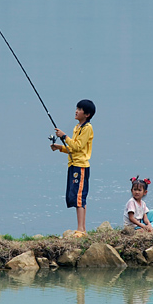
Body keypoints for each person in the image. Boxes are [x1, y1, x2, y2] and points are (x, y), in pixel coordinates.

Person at [51, 99, 95, 236]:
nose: (76, 111)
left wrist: (64, 136)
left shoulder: (88, 128)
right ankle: (81, 228)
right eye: (76, 108)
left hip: (81, 166)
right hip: (73, 165)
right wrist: (60, 147)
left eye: (80, 109)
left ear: (87, 114)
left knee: (79, 197)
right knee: (76, 197)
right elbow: (72, 149)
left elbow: (78, 147)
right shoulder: (77, 127)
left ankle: (81, 230)